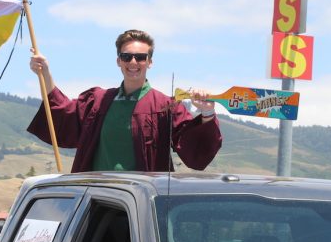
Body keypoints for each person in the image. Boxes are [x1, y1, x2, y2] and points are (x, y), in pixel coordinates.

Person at [27, 29, 222, 172]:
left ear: (150, 62)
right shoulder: (98, 101)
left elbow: (195, 153)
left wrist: (206, 113)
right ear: (118, 60)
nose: (133, 62)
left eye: (140, 57)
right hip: (97, 200)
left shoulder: (165, 106)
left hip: (141, 204)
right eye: (126, 56)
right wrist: (45, 74)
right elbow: (63, 113)